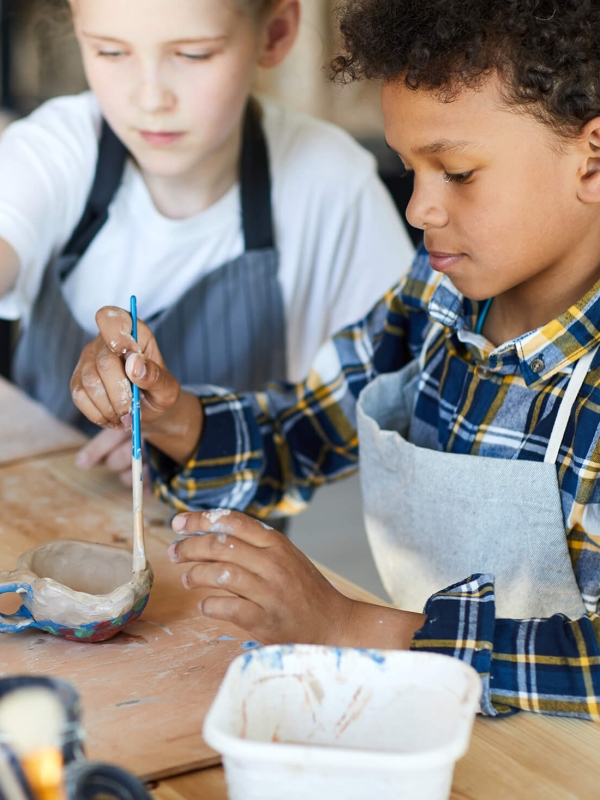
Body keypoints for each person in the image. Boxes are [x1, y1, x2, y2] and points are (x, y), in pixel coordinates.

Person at [71, 0, 600, 718]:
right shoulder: (435, 296)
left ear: (592, 160)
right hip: (432, 727)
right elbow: (305, 431)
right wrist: (171, 415)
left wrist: (355, 626)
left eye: (457, 172)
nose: (419, 209)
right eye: (410, 168)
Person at [0, 0, 412, 486]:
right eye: (111, 52)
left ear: (275, 33)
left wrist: (187, 433)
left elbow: (398, 403)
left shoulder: (331, 185)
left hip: (221, 548)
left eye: (193, 54)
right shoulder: (56, 149)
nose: (150, 98)